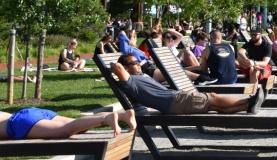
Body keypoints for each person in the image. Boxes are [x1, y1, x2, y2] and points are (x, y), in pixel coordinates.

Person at [112, 54, 263, 114]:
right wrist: (114, 63)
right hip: (175, 100)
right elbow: (116, 67)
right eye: (134, 63)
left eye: (138, 62)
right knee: (211, 97)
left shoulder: (140, 76)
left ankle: (247, 106)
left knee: (213, 106)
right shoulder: (129, 82)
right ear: (125, 68)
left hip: (174, 100)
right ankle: (249, 101)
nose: (139, 64)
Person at [0, 108, 135, 140]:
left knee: (63, 130)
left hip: (19, 123)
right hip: (31, 112)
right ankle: (123, 115)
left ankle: (106, 119)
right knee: (76, 125)